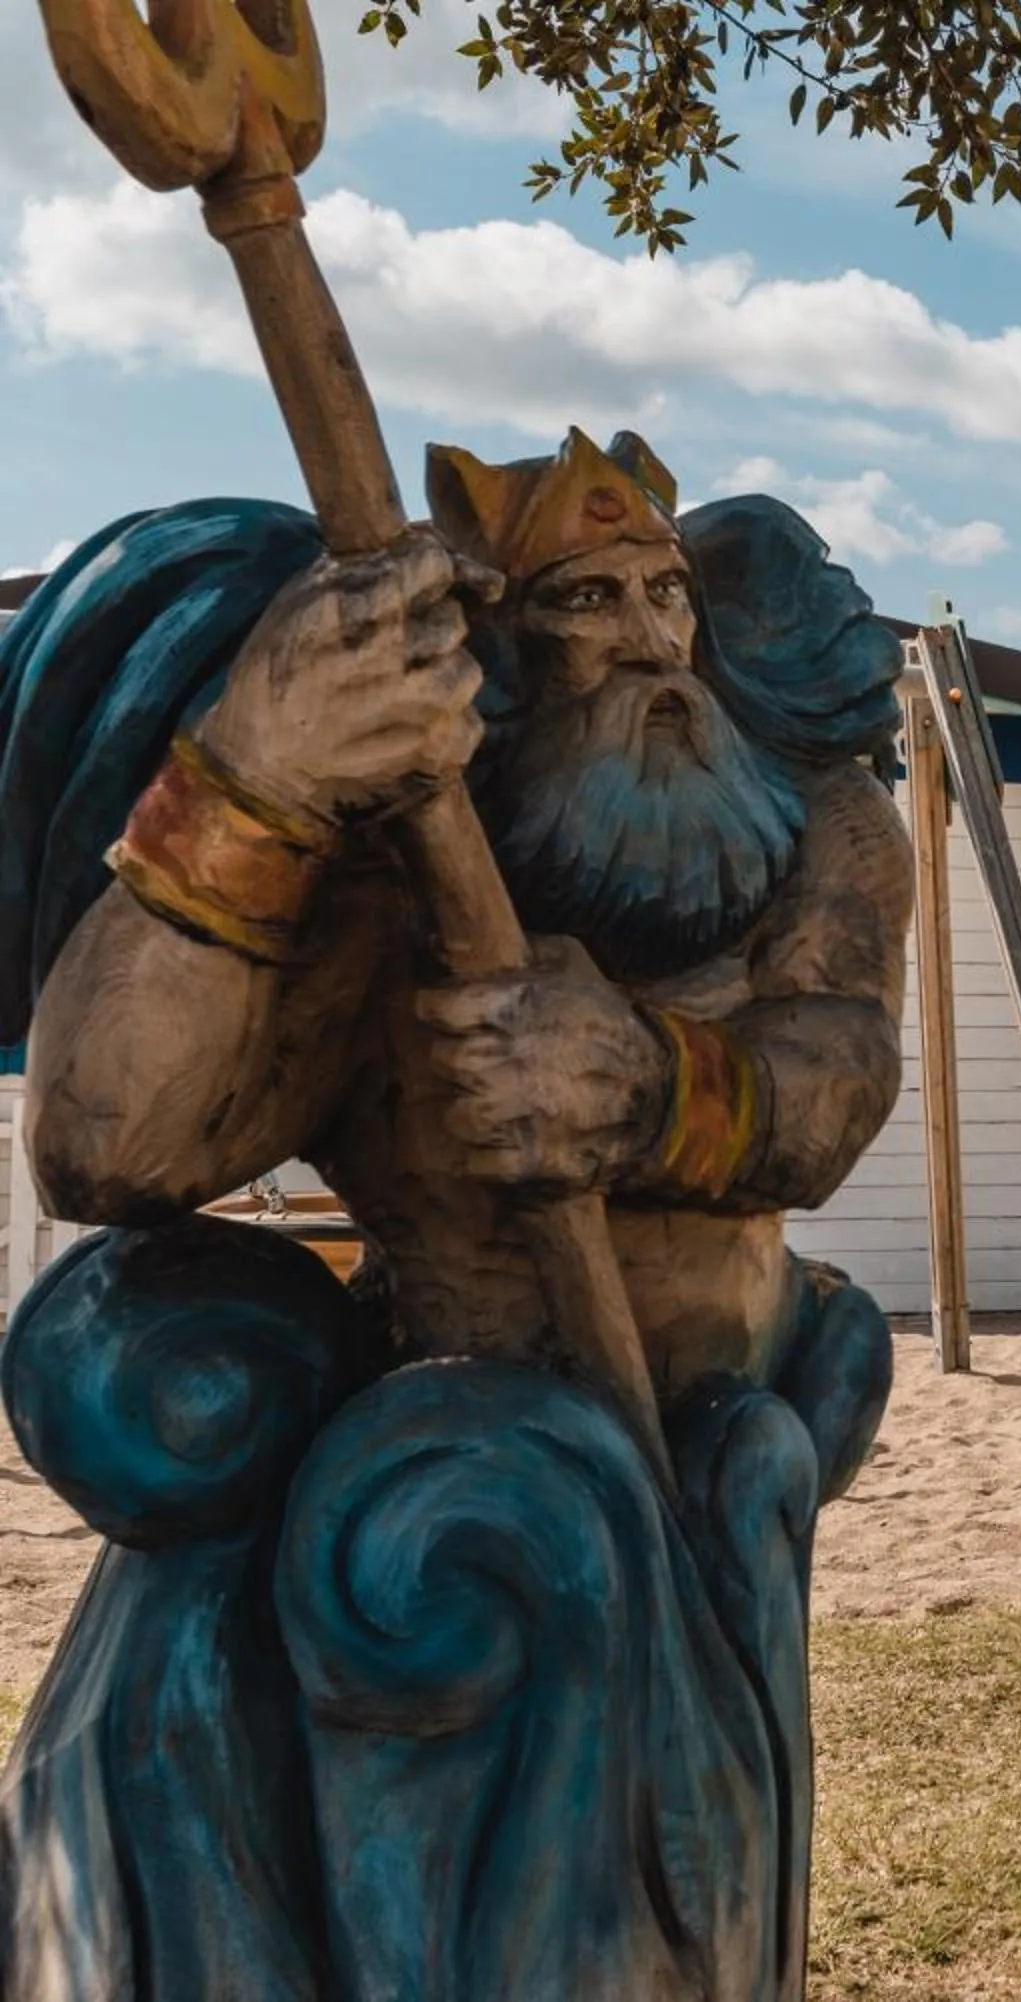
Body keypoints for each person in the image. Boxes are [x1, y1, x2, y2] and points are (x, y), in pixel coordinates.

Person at [26, 427, 910, 1396]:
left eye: (666, 592)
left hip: (758, 1390)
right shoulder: (388, 867)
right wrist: (252, 784)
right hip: (455, 1417)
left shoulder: (820, 819)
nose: (650, 641)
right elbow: (104, 1156)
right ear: (505, 650)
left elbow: (841, 1071)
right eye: (586, 599)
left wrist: (654, 1092)